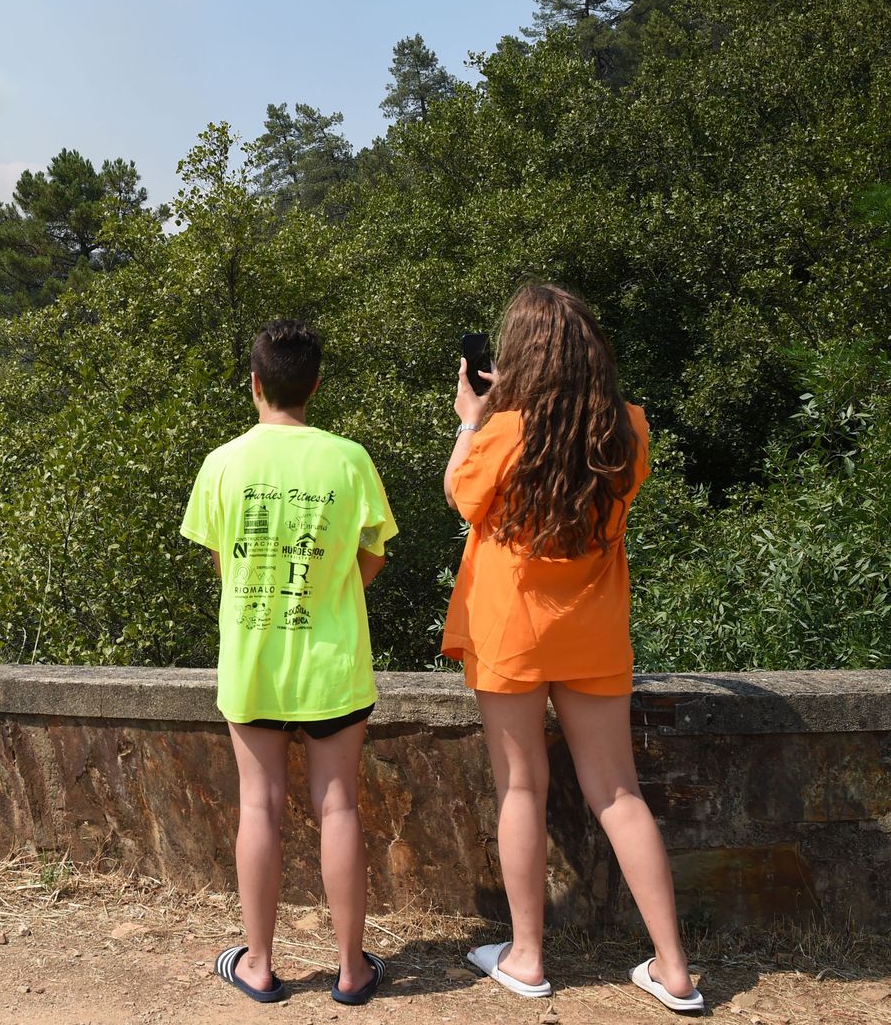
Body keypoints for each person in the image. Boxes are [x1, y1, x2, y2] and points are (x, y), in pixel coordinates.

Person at [442, 284, 703, 1013]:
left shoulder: (501, 431)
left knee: (521, 788)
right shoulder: (628, 430)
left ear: (518, 357)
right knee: (619, 793)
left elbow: (460, 497)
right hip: (594, 633)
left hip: (510, 634)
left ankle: (526, 958)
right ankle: (673, 968)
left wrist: (473, 419)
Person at [181, 319, 398, 1006]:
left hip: (253, 662)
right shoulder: (349, 459)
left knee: (259, 806)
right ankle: (352, 971)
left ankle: (260, 965)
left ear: (254, 384)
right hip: (332, 662)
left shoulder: (223, 462)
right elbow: (374, 553)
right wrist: (328, 593)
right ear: (316, 384)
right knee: (338, 807)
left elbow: (221, 562)